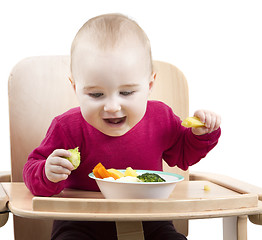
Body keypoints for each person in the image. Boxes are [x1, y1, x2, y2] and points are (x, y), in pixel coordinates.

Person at [23, 13, 221, 240]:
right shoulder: (66, 127)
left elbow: (184, 154)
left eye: (126, 92)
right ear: (75, 87)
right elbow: (31, 170)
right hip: (81, 222)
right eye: (96, 94)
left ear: (149, 85)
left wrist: (201, 134)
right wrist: (47, 172)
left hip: (151, 221)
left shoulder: (161, 118)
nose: (112, 106)